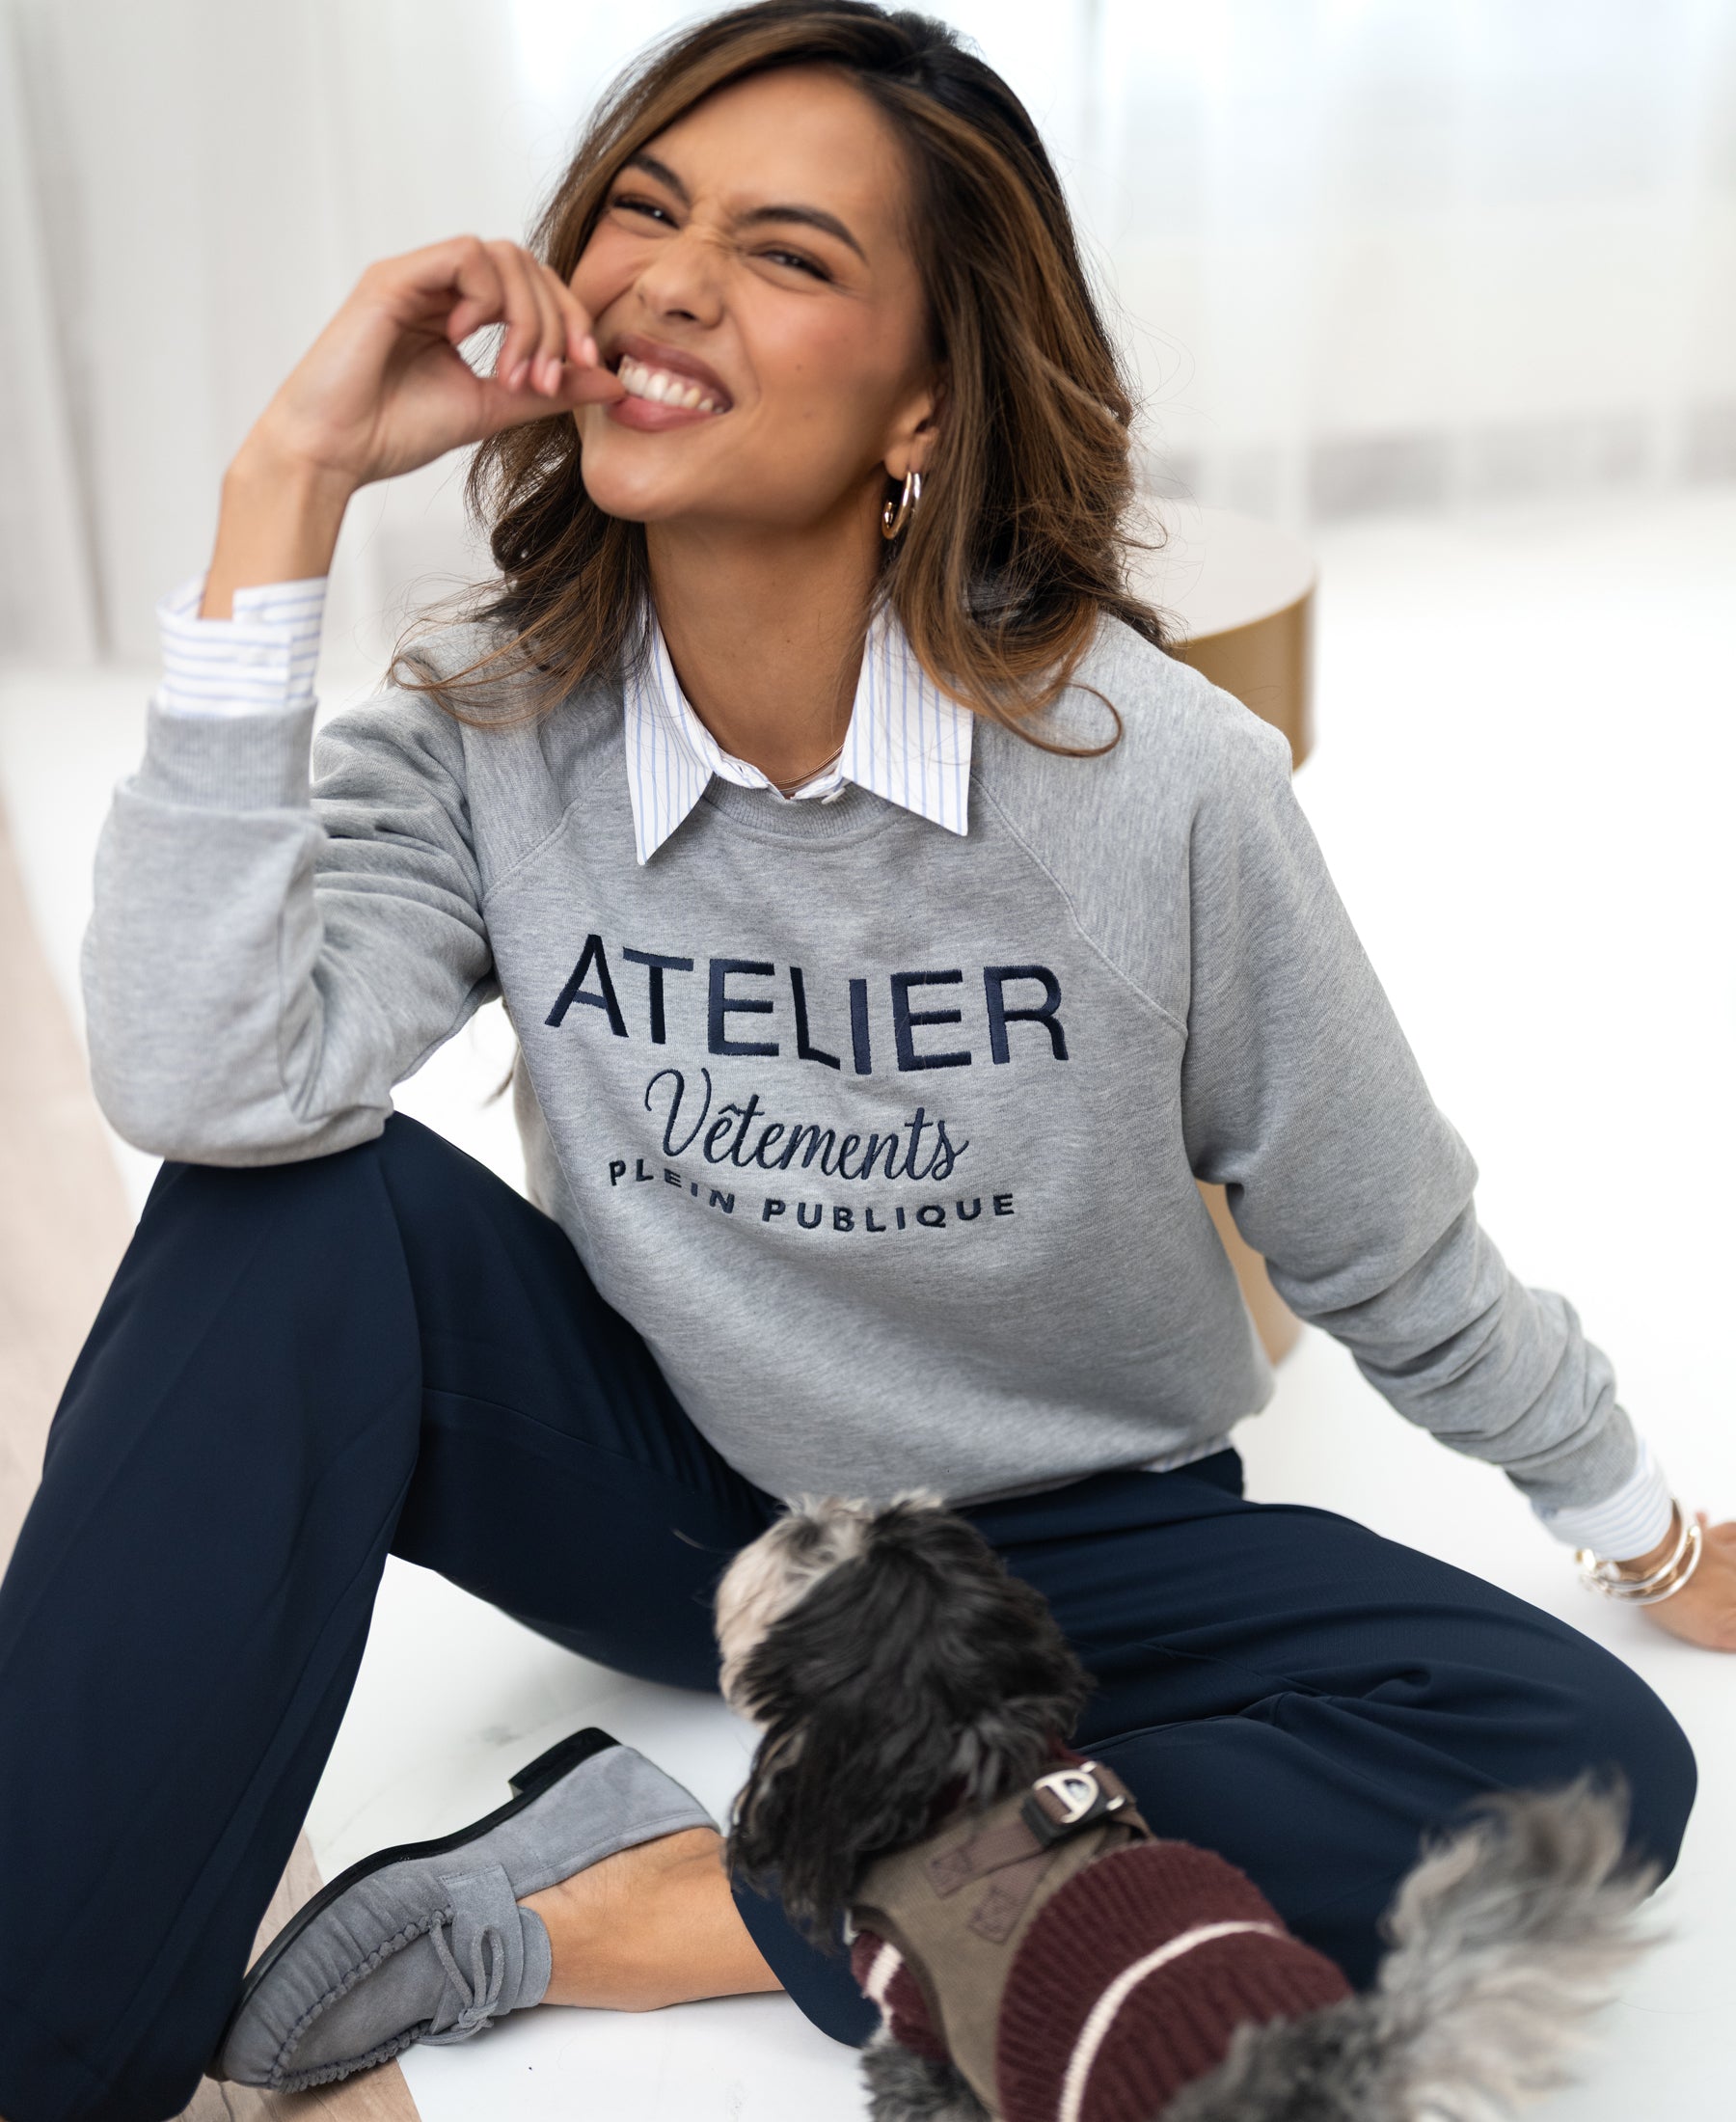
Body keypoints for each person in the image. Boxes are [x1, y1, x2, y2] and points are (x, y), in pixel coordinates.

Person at [0, 5, 1727, 2118]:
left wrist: (1644, 1531)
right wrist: (284, 481)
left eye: (789, 251)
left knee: (1590, 1761)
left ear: (924, 397)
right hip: (673, 1498)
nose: (668, 274)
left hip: (1066, 1539)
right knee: (284, 1197)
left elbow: (1383, 1235)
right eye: (643, 209)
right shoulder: (488, 724)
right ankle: (42, 2037)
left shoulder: (1150, 780)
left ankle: (635, 1904)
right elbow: (206, 1076)